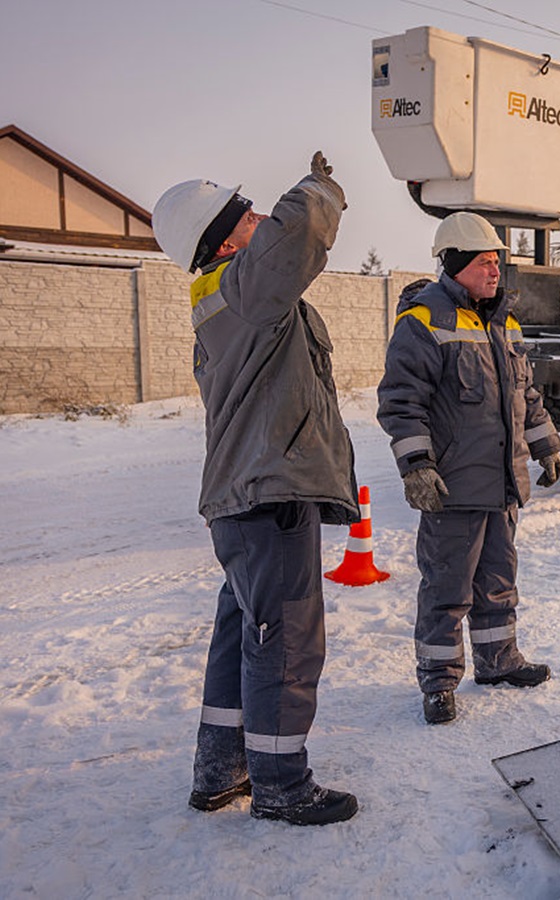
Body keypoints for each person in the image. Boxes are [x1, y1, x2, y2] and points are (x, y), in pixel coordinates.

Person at [151, 152, 360, 824]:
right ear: (225, 242)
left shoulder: (227, 299)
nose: (261, 218)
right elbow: (297, 231)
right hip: (270, 495)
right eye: (246, 216)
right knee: (288, 639)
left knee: (248, 631)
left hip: (245, 498)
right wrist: (319, 186)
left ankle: (222, 771)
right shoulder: (245, 289)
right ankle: (280, 784)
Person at [377, 211, 560, 725]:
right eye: (484, 262)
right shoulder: (424, 322)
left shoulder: (505, 321)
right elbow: (400, 401)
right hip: (454, 490)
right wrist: (417, 465)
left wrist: (545, 445)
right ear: (456, 264)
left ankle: (499, 661)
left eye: (496, 262)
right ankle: (439, 682)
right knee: (447, 589)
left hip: (502, 485)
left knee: (498, 582)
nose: (495, 271)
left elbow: (525, 394)